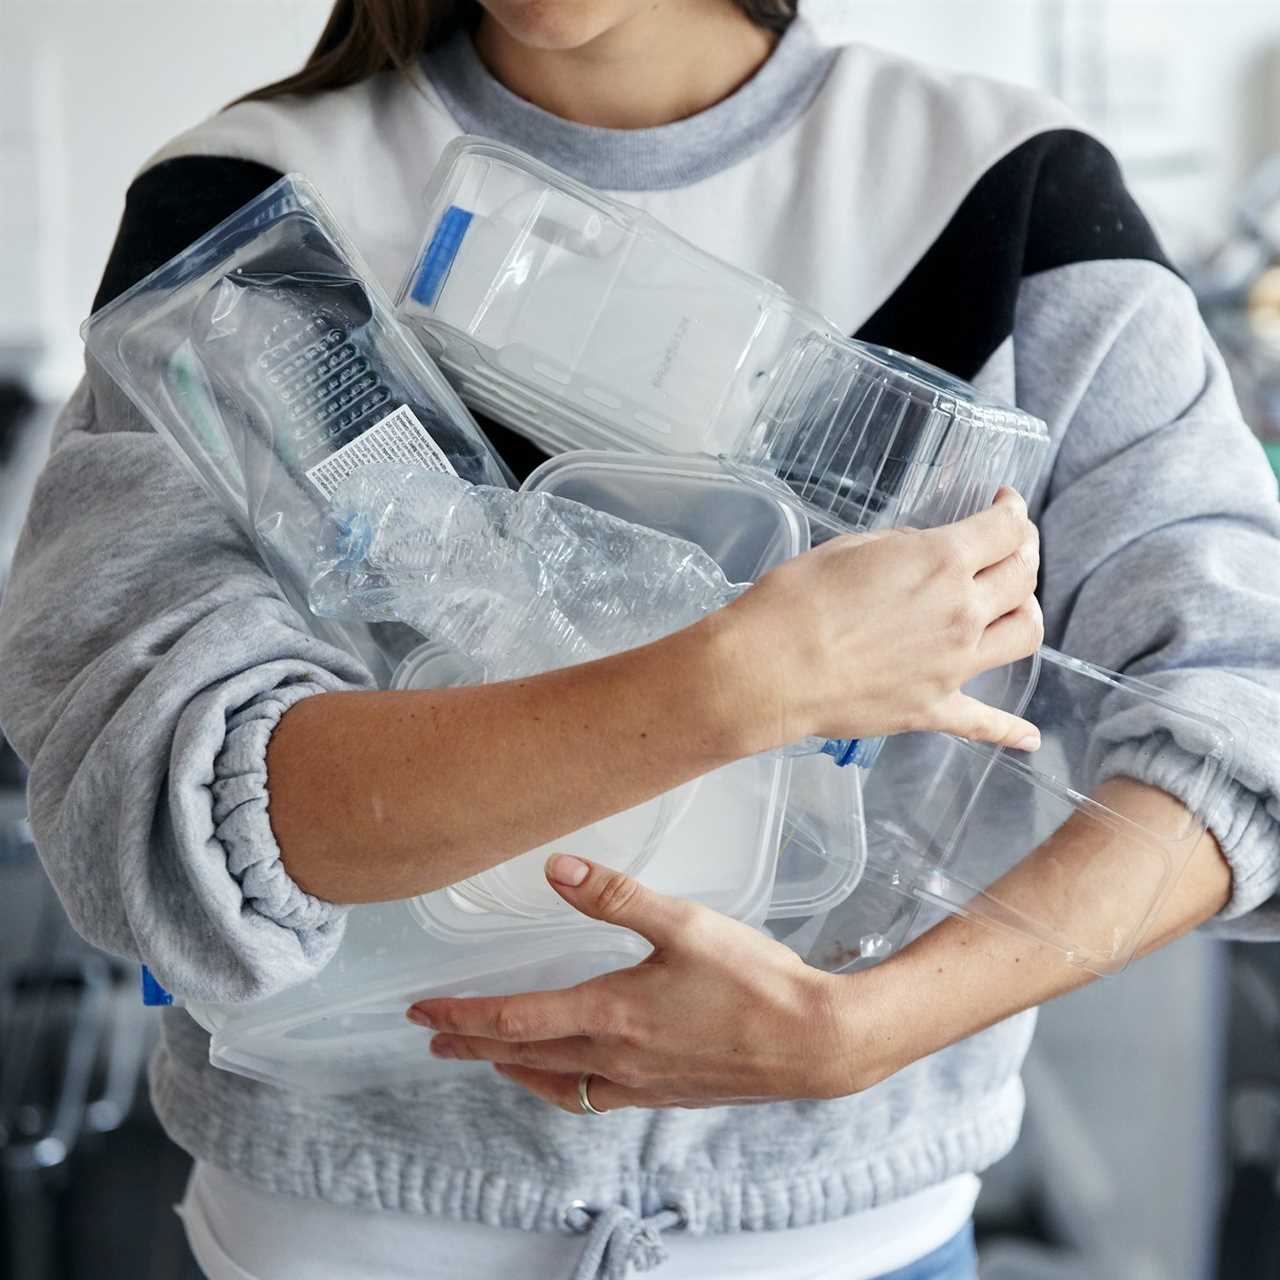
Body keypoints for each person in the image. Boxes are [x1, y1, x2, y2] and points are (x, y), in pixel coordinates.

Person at [1, 2, 1277, 1278]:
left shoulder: (1006, 192)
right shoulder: (246, 213)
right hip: (350, 1243)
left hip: (854, 1245)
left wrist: (866, 1028)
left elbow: (1243, 704)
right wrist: (743, 679)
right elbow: (155, 817)